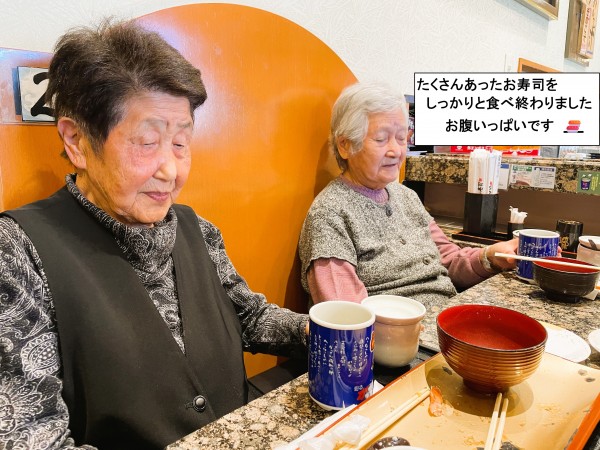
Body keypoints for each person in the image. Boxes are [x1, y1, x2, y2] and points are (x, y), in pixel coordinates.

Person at [0, 20, 308, 450]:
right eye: (147, 142)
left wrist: (329, 330)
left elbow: (251, 318)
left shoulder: (196, 228)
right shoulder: (18, 252)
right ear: (77, 140)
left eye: (181, 144)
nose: (171, 171)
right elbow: (31, 437)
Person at [299, 81, 520, 309]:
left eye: (402, 138)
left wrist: (491, 256)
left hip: (445, 312)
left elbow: (448, 260)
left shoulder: (406, 196)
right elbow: (344, 314)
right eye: (381, 139)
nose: (396, 151)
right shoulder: (330, 214)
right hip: (401, 328)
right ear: (345, 145)